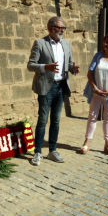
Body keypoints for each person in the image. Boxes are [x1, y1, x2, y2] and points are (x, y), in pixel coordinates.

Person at [27, 16, 80, 166]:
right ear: (51, 28)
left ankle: (52, 150)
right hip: (46, 87)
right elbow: (30, 65)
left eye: (64, 28)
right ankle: (37, 152)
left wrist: (73, 68)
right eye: (60, 28)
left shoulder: (67, 44)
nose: (62, 30)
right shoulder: (40, 43)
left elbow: (69, 64)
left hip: (61, 86)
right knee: (43, 120)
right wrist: (45, 67)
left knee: (56, 120)